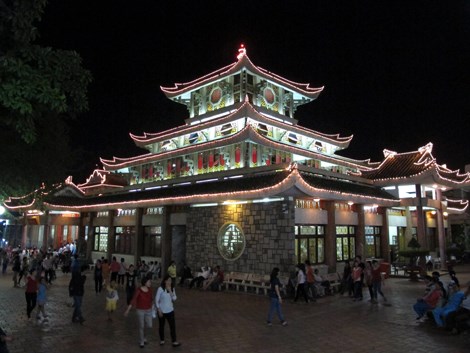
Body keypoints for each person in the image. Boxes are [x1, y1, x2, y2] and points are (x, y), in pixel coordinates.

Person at [124, 277, 153, 348]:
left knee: (149, 325)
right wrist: (128, 310)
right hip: (140, 310)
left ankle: (144, 337)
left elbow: (151, 299)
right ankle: (141, 341)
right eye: (149, 282)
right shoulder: (139, 290)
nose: (150, 283)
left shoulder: (150, 290)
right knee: (141, 326)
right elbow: (133, 300)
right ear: (145, 282)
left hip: (149, 310)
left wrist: (153, 306)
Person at [155, 275, 181, 347]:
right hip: (162, 311)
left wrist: (170, 291)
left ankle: (174, 341)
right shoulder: (160, 289)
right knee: (161, 326)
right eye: (168, 280)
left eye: (171, 280)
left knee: (172, 326)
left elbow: (174, 298)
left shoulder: (172, 288)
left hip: (170, 310)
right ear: (165, 281)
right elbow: (157, 300)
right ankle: (162, 340)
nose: (170, 282)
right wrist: (158, 309)